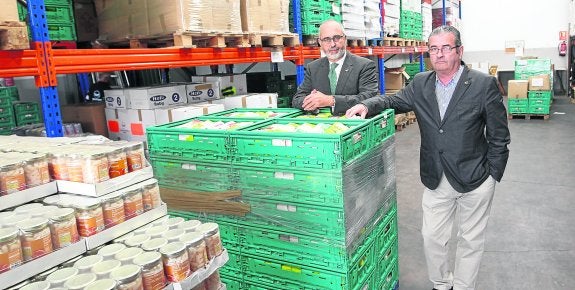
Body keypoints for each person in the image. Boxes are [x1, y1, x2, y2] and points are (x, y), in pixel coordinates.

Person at [346, 26, 510, 290]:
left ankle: (464, 286)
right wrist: (368, 105)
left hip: (476, 177)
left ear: (459, 50)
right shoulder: (421, 83)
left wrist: (493, 175)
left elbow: (499, 135)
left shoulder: (482, 84)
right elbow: (393, 101)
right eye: (433, 49)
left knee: (470, 240)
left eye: (446, 47)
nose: (439, 54)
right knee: (432, 237)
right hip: (436, 176)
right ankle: (441, 284)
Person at [292, 20, 378, 115]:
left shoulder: (364, 65)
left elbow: (369, 98)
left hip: (354, 123)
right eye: (326, 39)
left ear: (345, 39)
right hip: (324, 125)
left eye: (336, 38)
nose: (332, 44)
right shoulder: (313, 68)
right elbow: (297, 99)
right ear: (320, 42)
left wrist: (332, 101)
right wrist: (313, 101)